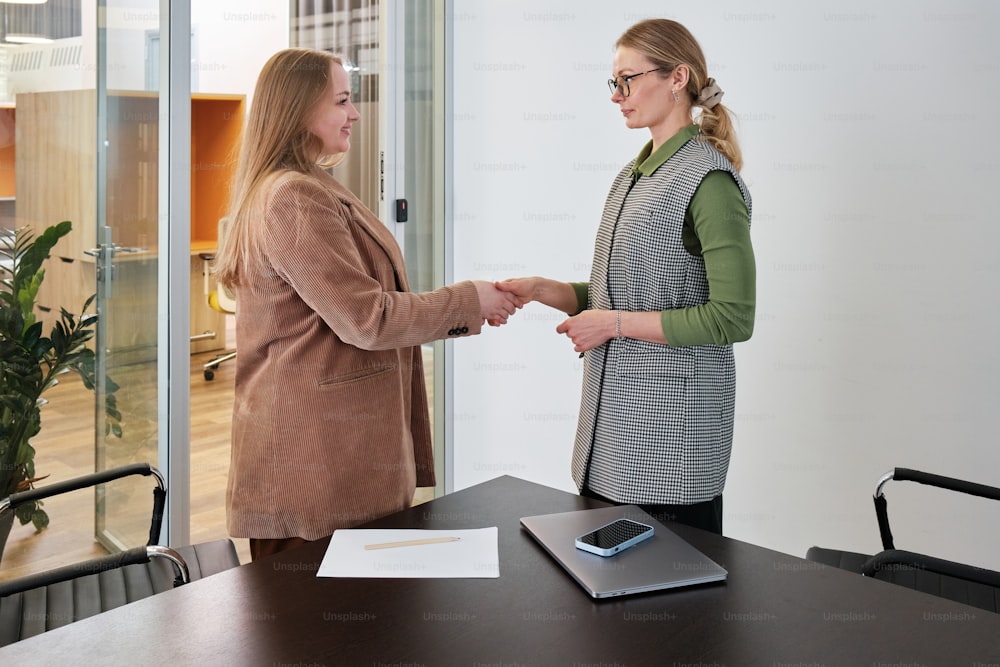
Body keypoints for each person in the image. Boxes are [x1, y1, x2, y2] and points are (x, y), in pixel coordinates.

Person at [214, 48, 521, 561]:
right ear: (298, 109)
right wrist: (470, 300)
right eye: (342, 100)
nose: (355, 113)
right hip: (312, 468)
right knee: (315, 636)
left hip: (334, 459)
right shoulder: (294, 197)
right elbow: (367, 318)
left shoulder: (313, 186)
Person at [498, 19, 755, 535]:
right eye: (613, 83)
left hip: (671, 449)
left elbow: (732, 317)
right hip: (609, 439)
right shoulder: (632, 176)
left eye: (628, 80)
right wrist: (550, 292)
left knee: (670, 610)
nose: (618, 96)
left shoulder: (710, 182)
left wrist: (611, 325)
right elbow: (633, 294)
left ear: (677, 78)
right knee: (602, 600)